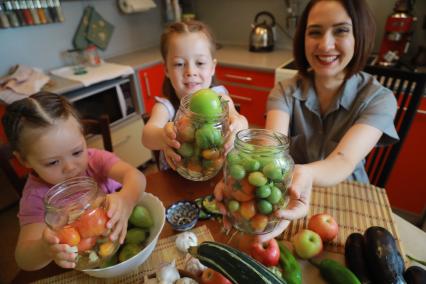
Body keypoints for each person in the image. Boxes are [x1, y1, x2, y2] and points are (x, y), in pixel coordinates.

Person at [262, 0, 399, 241]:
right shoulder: (283, 91)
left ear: (360, 36)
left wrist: (305, 174)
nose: (325, 44)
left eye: (341, 30)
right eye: (315, 31)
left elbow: (343, 160)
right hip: (290, 194)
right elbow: (272, 150)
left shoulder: (380, 99)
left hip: (351, 200)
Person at [2, 92, 146, 271]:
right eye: (53, 162)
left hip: (125, 237)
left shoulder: (95, 160)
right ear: (24, 161)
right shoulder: (36, 197)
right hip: (89, 263)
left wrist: (126, 198)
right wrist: (45, 249)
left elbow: (136, 176)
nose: (70, 167)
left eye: (77, 152)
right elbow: (23, 259)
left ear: (83, 137)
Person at [142, 20, 248, 170]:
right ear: (166, 70)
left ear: (212, 67)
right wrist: (164, 137)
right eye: (179, 64)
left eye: (200, 63)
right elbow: (147, 136)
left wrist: (238, 125)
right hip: (176, 179)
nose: (190, 71)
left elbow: (239, 119)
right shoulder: (166, 107)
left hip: (214, 173)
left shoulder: (219, 98)